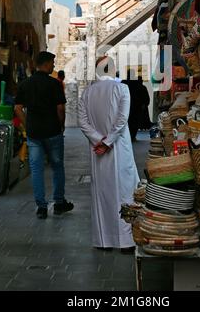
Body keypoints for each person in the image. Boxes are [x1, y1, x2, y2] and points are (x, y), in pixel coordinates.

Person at [78, 56, 139, 252]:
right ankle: (126, 241)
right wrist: (108, 141)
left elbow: (83, 122)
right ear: (112, 70)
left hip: (98, 151)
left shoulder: (87, 93)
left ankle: (104, 240)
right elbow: (122, 120)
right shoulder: (122, 89)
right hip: (119, 148)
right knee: (124, 191)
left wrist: (98, 140)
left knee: (102, 193)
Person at [14, 51, 74, 219]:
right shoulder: (54, 84)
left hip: (34, 135)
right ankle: (59, 203)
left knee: (36, 169)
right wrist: (61, 126)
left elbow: (18, 109)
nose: (54, 66)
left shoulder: (25, 84)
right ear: (46, 64)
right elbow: (60, 109)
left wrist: (28, 125)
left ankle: (41, 207)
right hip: (53, 132)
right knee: (57, 167)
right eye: (52, 63)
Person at [122, 69, 142, 142]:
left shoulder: (124, 82)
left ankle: (127, 136)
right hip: (136, 105)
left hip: (126, 104)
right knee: (134, 121)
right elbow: (141, 92)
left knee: (126, 121)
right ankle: (132, 136)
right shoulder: (137, 82)